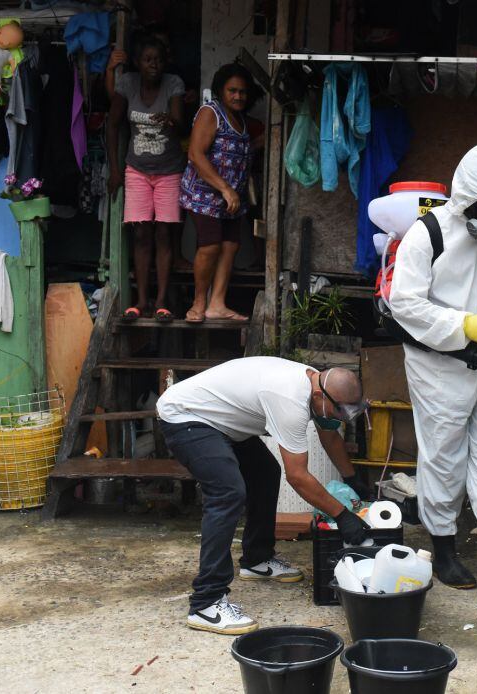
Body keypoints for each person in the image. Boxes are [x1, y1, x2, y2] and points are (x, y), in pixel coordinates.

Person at [388, 143, 477, 592]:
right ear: (468, 200)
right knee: (445, 459)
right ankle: (444, 553)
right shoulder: (427, 234)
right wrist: (461, 326)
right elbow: (404, 304)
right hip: (441, 367)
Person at [157, 357, 373, 634]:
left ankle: (256, 559)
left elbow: (329, 436)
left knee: (265, 473)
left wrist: (352, 478)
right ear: (320, 395)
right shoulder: (290, 399)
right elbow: (298, 476)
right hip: (187, 416)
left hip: (223, 421)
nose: (340, 417)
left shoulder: (317, 390)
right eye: (339, 410)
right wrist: (343, 517)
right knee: (227, 493)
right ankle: (206, 603)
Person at [107, 35, 185, 322]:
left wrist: (172, 121)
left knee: (164, 233)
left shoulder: (173, 83)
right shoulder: (127, 83)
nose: (154, 65)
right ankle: (140, 301)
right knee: (140, 233)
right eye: (148, 59)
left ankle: (162, 302)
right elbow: (112, 126)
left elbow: (179, 117)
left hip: (169, 170)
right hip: (136, 169)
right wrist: (115, 170)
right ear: (138, 63)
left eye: (159, 60)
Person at [179, 63, 255, 322]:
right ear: (221, 91)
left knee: (230, 246)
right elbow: (195, 153)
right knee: (210, 246)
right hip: (204, 195)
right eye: (232, 90)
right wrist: (224, 189)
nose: (237, 96)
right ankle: (198, 304)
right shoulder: (210, 113)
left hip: (230, 198)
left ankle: (217, 304)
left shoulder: (241, 119)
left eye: (242, 92)